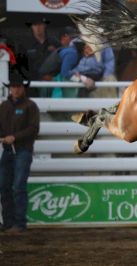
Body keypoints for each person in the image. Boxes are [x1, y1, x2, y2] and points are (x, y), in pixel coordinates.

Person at [0, 69, 40, 234]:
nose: (15, 89)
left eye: (18, 86)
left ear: (23, 88)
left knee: (17, 186)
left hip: (22, 150)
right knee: (4, 186)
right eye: (13, 87)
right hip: (9, 151)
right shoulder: (4, 106)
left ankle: (19, 222)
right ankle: (9, 222)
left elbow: (34, 129)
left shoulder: (30, 106)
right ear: (10, 88)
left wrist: (13, 137)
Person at [24, 17, 60, 96]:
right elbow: (22, 66)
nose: (38, 27)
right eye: (35, 25)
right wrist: (38, 77)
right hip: (33, 83)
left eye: (40, 24)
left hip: (53, 81)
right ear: (31, 27)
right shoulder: (25, 44)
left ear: (44, 25)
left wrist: (54, 77)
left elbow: (61, 60)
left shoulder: (54, 42)